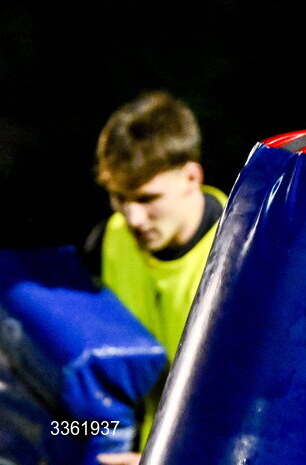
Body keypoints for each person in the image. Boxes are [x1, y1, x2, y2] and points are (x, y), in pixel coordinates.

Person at [84, 90, 227, 464]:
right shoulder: (107, 240)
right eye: (119, 197)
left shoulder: (247, 258)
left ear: (191, 177)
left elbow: (256, 418)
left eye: (147, 198)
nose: (132, 218)